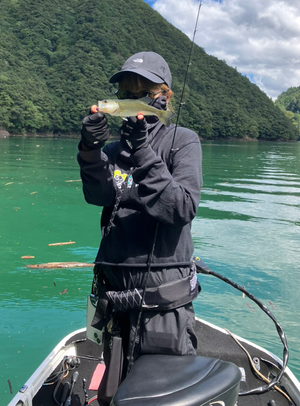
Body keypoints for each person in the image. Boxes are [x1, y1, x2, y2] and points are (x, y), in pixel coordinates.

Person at [77, 51, 202, 406]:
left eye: (141, 90)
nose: (131, 99)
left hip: (163, 305)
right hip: (115, 301)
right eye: (126, 92)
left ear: (163, 96)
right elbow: (97, 194)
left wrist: (145, 152)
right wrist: (90, 150)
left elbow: (181, 207)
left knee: (162, 397)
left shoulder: (183, 141)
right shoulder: (115, 150)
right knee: (116, 395)